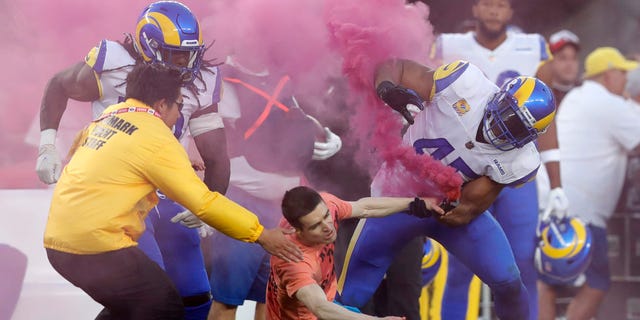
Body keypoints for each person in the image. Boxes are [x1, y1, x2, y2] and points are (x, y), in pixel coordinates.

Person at [43, 63, 302, 320]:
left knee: (131, 306)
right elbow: (204, 203)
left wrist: (173, 167)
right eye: (179, 104)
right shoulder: (155, 136)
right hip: (96, 246)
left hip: (59, 244)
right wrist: (261, 234)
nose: (180, 114)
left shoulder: (108, 117)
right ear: (161, 104)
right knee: (164, 307)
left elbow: (97, 161)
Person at [36, 2, 230, 319]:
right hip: (119, 199)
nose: (184, 62)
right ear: (148, 45)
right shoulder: (112, 63)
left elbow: (216, 153)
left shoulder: (203, 79)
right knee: (149, 300)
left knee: (194, 297)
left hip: (166, 194)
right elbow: (59, 84)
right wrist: (47, 143)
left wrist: (212, 204)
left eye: (188, 52)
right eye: (174, 53)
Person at [336, 58, 557, 320]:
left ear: (531, 136)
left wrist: (439, 204)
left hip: (446, 209)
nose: (506, 127)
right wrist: (387, 88)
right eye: (508, 114)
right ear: (500, 96)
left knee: (508, 281)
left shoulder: (521, 160)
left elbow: (465, 211)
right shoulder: (464, 83)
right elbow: (396, 66)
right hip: (395, 198)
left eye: (519, 127)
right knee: (350, 295)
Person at [429, 1, 567, 318]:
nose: (494, 11)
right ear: (475, 9)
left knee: (522, 261)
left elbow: (545, 122)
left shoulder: (532, 48)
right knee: (461, 265)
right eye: (488, 4)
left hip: (516, 174)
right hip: (468, 172)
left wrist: (558, 185)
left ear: (510, 12)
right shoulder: (448, 46)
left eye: (501, 5)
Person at [206, 57, 342, 320]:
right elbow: (214, 141)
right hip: (242, 203)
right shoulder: (225, 77)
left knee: (273, 296)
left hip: (283, 210)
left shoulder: (279, 75)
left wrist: (322, 134)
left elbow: (294, 115)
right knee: (227, 299)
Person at [549, 47, 640, 320]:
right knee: (598, 281)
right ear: (607, 75)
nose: (626, 79)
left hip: (559, 204)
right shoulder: (607, 104)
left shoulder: (579, 96)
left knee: (548, 279)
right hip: (582, 211)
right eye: (622, 73)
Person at [266, 185, 443, 320]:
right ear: (297, 231)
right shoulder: (293, 261)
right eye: (315, 226)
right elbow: (319, 308)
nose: (327, 227)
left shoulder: (326, 205)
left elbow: (365, 207)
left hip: (330, 305)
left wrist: (413, 202)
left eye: (326, 216)